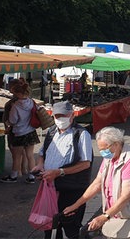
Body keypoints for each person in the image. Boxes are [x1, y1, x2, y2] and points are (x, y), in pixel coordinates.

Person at [63, 127, 130, 237]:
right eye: (100, 149)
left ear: (116, 144)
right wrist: (76, 205)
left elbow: (127, 195)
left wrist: (105, 216)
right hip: (116, 215)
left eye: (105, 149)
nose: (103, 153)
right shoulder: (110, 157)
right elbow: (97, 183)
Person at [33, 101, 93, 239]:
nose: (60, 119)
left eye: (63, 116)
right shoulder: (52, 131)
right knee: (50, 225)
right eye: (57, 116)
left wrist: (59, 172)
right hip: (51, 187)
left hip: (72, 189)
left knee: (71, 226)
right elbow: (42, 154)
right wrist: (40, 166)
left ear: (72, 116)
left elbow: (85, 164)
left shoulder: (81, 134)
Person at [0, 78, 40, 184]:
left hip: (19, 133)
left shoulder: (16, 106)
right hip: (31, 132)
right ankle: (32, 176)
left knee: (17, 156)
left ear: (17, 93)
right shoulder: (32, 102)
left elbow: (13, 120)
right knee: (30, 155)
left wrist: (8, 124)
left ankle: (13, 176)